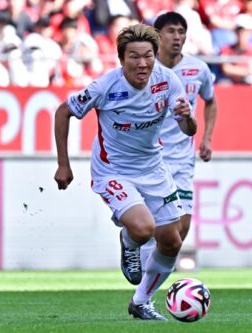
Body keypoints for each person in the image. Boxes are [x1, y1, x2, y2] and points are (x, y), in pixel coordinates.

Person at [54, 23, 197, 321]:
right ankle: (129, 241)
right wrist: (63, 164)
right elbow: (63, 111)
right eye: (134, 56)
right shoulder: (106, 86)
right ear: (121, 59)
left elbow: (187, 129)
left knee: (172, 241)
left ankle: (141, 302)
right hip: (113, 170)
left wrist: (188, 118)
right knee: (144, 229)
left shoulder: (167, 81)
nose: (142, 63)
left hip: (153, 168)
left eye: (148, 55)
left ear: (155, 56)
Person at [139, 12, 217, 268]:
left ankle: (150, 272)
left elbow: (211, 101)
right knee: (150, 224)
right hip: (151, 158)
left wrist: (206, 138)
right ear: (157, 35)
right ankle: (145, 278)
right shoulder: (145, 70)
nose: (177, 37)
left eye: (181, 32)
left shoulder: (198, 69)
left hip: (182, 158)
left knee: (180, 229)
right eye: (171, 31)